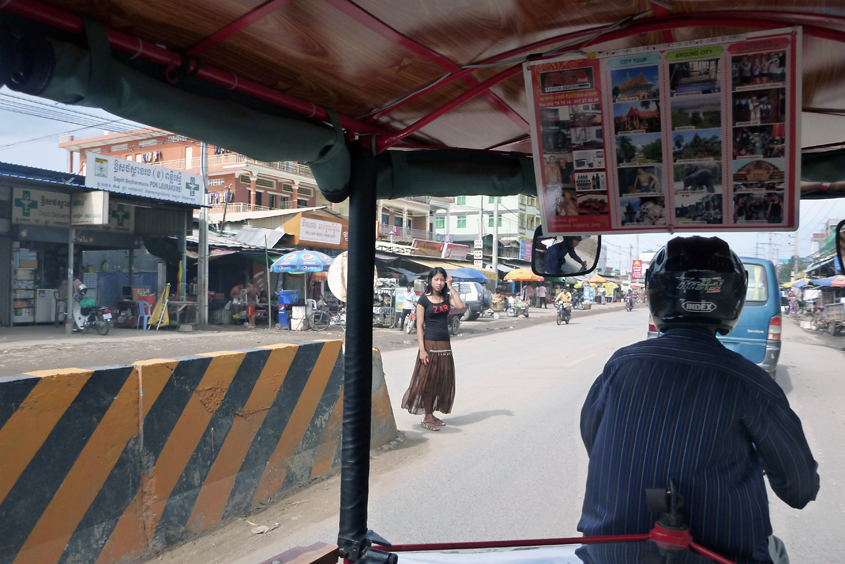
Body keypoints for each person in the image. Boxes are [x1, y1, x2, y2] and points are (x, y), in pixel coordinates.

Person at [579, 236, 819, 564]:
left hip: (607, 553)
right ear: (734, 297)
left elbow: (594, 439)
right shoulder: (749, 382)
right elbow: (799, 489)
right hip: (721, 556)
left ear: (656, 294)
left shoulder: (620, 366)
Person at [401, 268, 463, 431]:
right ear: (430, 281)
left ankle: (431, 413)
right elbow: (419, 326)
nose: (439, 282)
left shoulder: (445, 297)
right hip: (430, 345)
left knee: (440, 381)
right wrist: (422, 350)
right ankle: (427, 416)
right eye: (436, 279)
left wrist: (450, 287)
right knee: (428, 382)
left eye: (442, 279)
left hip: (445, 345)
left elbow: (460, 306)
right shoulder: (423, 300)